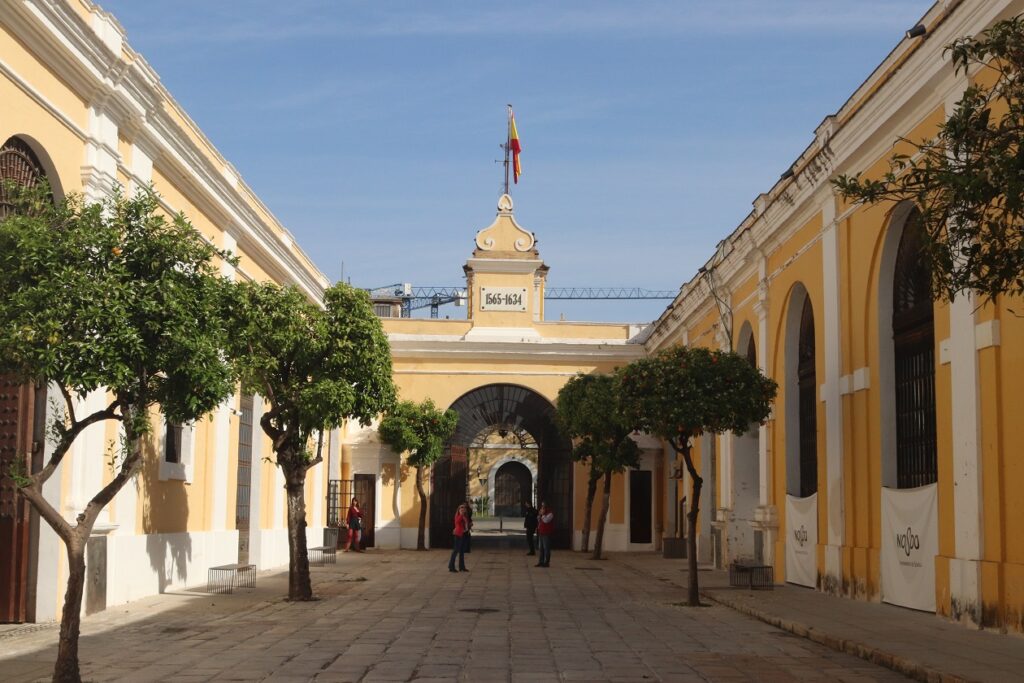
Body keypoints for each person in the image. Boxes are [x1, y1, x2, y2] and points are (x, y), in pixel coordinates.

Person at [448, 503, 470, 573]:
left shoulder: (465, 516)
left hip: (464, 534)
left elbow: (465, 524)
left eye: (464, 509)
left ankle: (462, 567)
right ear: (459, 510)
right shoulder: (458, 516)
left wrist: (469, 525)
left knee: (462, 552)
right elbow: (457, 522)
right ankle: (451, 566)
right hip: (458, 535)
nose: (463, 510)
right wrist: (461, 514)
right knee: (455, 551)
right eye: (461, 508)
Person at [536, 502, 554, 567]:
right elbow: (540, 522)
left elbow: (546, 521)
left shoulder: (550, 514)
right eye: (542, 507)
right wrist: (539, 516)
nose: (542, 508)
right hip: (541, 532)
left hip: (546, 533)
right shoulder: (542, 514)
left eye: (543, 507)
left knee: (546, 548)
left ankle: (546, 562)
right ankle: (541, 561)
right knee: (541, 548)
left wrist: (542, 515)